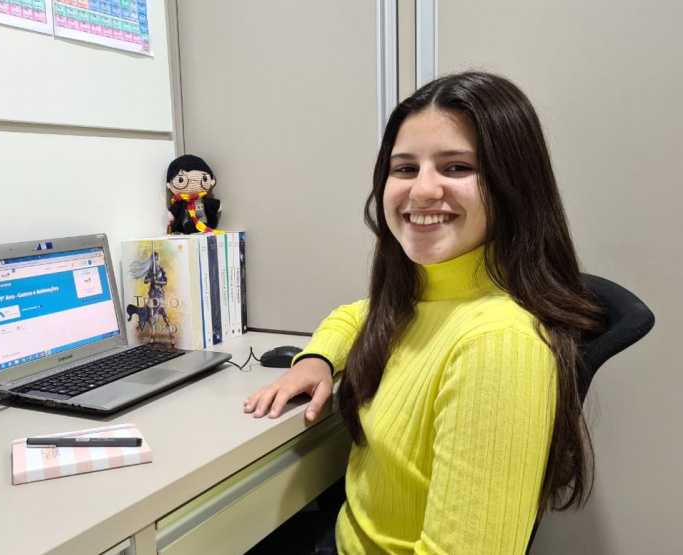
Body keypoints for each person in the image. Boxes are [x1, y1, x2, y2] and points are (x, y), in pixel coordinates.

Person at [243, 72, 606, 554]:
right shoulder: (427, 293)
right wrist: (316, 360)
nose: (421, 191)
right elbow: (356, 315)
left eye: (456, 167)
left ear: (514, 183)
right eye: (405, 168)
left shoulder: (498, 345)